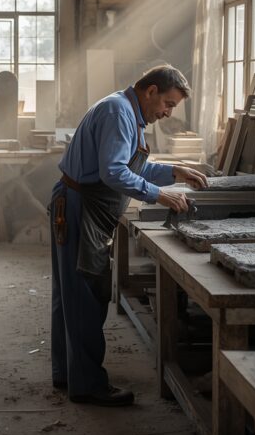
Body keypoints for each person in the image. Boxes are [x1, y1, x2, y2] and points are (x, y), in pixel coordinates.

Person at [50, 64, 208, 406]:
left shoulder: (126, 111)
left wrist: (173, 171)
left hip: (82, 206)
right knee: (85, 297)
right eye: (167, 104)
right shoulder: (119, 112)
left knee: (71, 294)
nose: (167, 113)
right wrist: (158, 194)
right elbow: (113, 172)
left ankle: (68, 372)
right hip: (80, 209)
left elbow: (133, 166)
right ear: (150, 91)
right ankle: (88, 384)